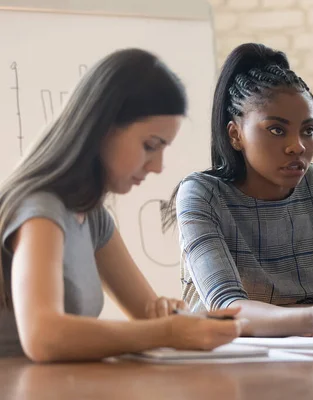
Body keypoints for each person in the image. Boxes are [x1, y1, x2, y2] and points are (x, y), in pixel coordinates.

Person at [0, 48, 242, 362]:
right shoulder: (41, 209)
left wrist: (170, 317)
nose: (157, 166)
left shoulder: (92, 216)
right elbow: (43, 337)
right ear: (103, 129)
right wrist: (169, 331)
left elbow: (147, 314)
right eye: (150, 146)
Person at [162, 43, 313, 337]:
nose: (297, 146)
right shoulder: (201, 193)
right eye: (277, 129)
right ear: (235, 134)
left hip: (311, 358)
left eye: (308, 130)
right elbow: (227, 309)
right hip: (222, 365)